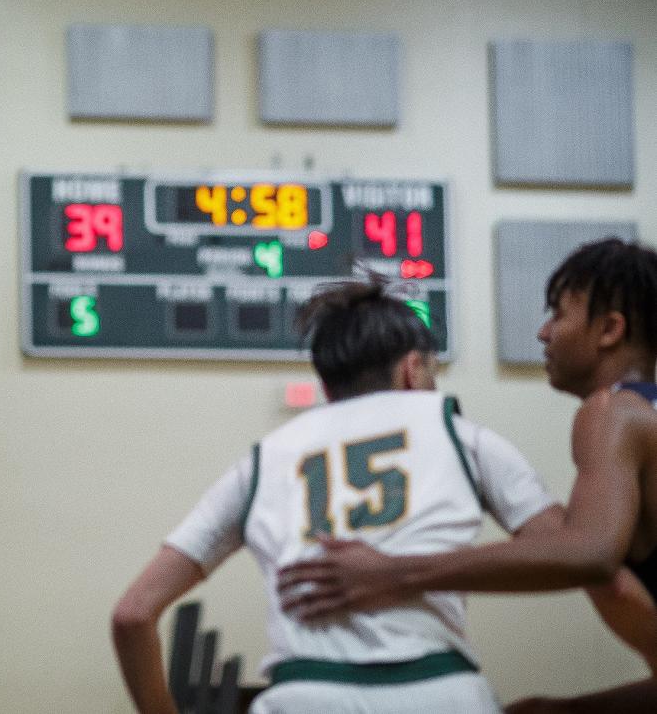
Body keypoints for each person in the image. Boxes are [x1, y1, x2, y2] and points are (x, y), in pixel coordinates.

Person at [112, 277, 562, 713]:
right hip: (438, 690)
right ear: (411, 369)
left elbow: (132, 615)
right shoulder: (463, 436)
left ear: (328, 388)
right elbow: (569, 555)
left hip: (304, 695)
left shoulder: (262, 460)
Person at [277, 238, 657, 711]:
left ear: (610, 330)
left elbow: (591, 557)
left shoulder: (613, 412)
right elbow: (608, 576)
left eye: (558, 314)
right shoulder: (638, 412)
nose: (543, 333)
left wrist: (395, 572)